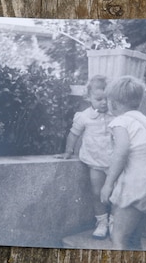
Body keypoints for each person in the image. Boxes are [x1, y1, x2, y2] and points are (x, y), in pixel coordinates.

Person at [101, 75, 146, 250]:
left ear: (113, 103)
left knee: (119, 237)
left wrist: (108, 184)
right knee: (134, 239)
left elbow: (121, 151)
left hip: (137, 186)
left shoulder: (120, 121)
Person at [55, 75, 115, 239]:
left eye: (107, 99)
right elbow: (74, 134)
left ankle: (115, 222)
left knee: (117, 194)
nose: (103, 102)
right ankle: (102, 221)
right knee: (97, 193)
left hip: (116, 164)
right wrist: (68, 151)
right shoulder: (84, 116)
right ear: (89, 98)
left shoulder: (115, 115)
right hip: (95, 162)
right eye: (99, 99)